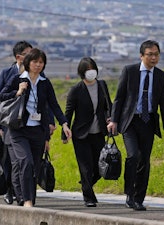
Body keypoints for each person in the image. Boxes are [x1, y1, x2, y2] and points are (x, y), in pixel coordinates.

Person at [0, 48, 72, 207]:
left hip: (38, 130)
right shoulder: (17, 79)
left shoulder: (45, 83)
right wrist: (18, 92)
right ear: (28, 63)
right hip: (19, 130)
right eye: (35, 62)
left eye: (41, 62)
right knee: (26, 162)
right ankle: (27, 200)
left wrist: (64, 124)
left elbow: (54, 105)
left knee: (35, 167)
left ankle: (30, 199)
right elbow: (1, 96)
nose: (38, 65)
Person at [107, 40, 164, 211]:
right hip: (130, 121)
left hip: (148, 121)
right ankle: (129, 192)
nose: (153, 57)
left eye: (156, 54)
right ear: (141, 55)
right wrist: (114, 120)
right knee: (133, 156)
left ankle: (139, 198)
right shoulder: (130, 71)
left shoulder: (161, 76)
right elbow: (119, 97)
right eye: (150, 54)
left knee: (144, 160)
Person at [62, 57, 112, 207]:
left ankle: (86, 183)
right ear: (82, 72)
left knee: (99, 166)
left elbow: (108, 106)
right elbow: (68, 112)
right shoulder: (76, 90)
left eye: (93, 69)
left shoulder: (102, 85)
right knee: (85, 166)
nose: (91, 72)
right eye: (88, 70)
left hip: (99, 132)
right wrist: (64, 134)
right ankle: (88, 197)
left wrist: (110, 119)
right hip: (81, 134)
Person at [0, 40, 34, 205]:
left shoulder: (36, 74)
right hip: (7, 125)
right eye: (29, 54)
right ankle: (11, 190)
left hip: (28, 126)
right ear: (19, 57)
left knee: (21, 162)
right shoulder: (7, 73)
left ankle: (22, 194)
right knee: (10, 161)